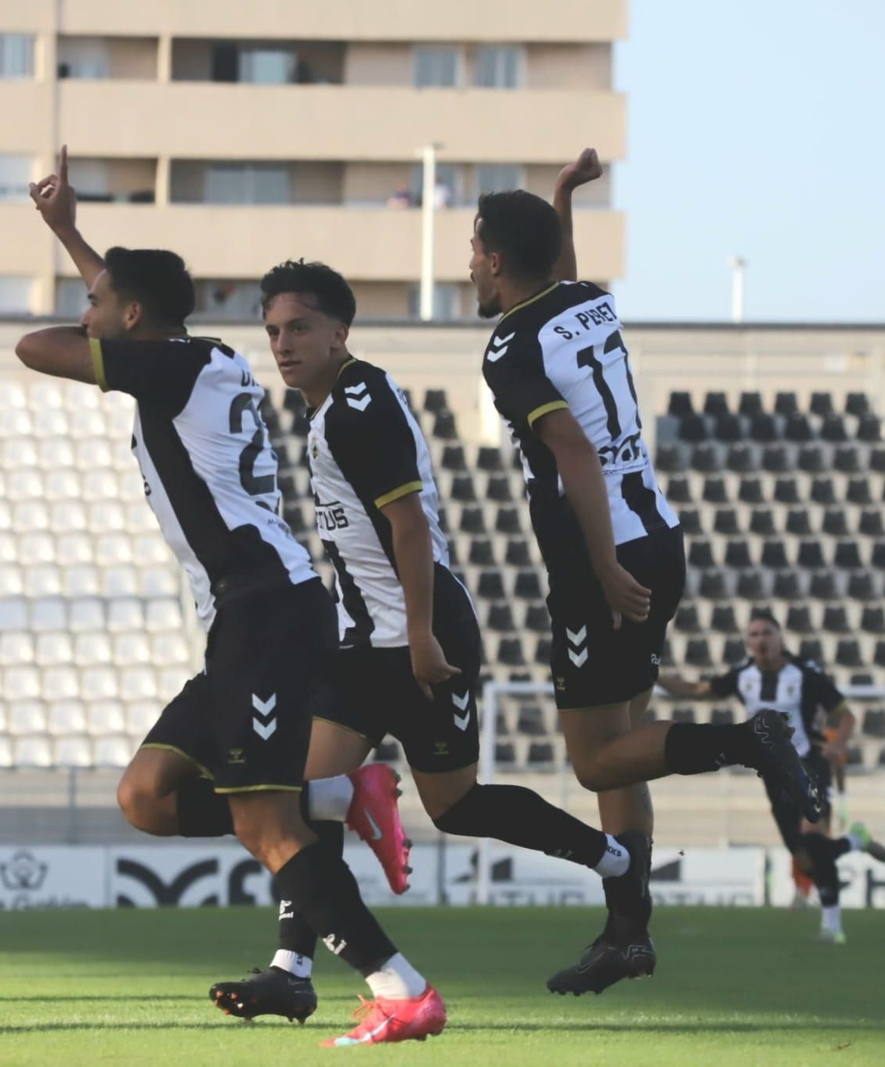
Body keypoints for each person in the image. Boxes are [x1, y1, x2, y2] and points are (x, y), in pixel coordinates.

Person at [16, 147, 445, 1047]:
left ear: (132, 321)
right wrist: (66, 232)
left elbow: (35, 347)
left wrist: (95, 317)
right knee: (148, 794)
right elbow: (121, 302)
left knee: (261, 822)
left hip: (268, 610)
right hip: (245, 616)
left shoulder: (170, 368)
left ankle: (400, 986)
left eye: (97, 308)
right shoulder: (189, 362)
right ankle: (340, 795)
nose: (84, 314)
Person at [209, 259, 644, 1021]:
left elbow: (409, 524)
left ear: (339, 331)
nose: (282, 343)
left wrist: (417, 635)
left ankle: (615, 861)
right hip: (362, 644)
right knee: (302, 792)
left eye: (300, 327)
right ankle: (291, 965)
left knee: (458, 805)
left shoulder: (357, 404)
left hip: (423, 632)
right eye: (273, 330)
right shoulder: (332, 406)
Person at [468, 148, 822, 994]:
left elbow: (573, 451)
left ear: (492, 258)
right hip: (660, 533)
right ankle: (628, 933)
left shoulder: (506, 346)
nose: (468, 264)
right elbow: (561, 289)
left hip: (608, 556)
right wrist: (559, 198)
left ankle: (751, 739)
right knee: (625, 751)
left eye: (473, 249)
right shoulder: (589, 303)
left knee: (595, 761)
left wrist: (599, 565)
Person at [659, 611, 885, 943]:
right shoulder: (743, 676)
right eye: (753, 635)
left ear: (780, 638)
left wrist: (837, 745)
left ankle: (832, 926)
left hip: (811, 762)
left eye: (767, 633)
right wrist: (653, 674)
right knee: (805, 858)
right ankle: (856, 840)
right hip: (772, 771)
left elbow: (846, 715)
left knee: (814, 838)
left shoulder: (806, 673)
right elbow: (696, 690)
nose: (760, 640)